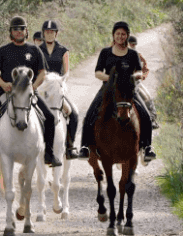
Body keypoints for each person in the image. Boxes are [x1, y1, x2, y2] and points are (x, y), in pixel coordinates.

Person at [0, 16, 62, 169]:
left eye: (21, 28)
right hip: (6, 92)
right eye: (15, 29)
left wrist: (33, 87)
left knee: (49, 117)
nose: (18, 31)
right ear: (11, 32)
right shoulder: (3, 51)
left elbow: (42, 73)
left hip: (29, 93)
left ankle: (49, 154)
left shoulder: (35, 50)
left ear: (26, 31)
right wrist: (3, 84)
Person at [78, 22, 157, 163]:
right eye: (118, 34)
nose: (120, 36)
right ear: (113, 35)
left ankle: (147, 147)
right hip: (108, 88)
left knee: (145, 114)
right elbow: (97, 72)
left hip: (128, 89)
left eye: (123, 34)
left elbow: (139, 70)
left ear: (127, 36)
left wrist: (135, 76)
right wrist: (111, 78)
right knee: (90, 113)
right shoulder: (105, 53)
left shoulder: (132, 54)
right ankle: (85, 146)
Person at [38, 20, 80, 159]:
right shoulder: (37, 50)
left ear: (56, 34)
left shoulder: (63, 51)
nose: (49, 34)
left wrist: (58, 83)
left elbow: (66, 73)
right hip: (42, 88)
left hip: (57, 89)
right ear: (43, 33)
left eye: (52, 32)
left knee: (73, 113)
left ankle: (70, 146)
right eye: (47, 32)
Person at [128, 35, 159, 129]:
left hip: (135, 83)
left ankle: (152, 118)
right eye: (131, 44)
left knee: (147, 97)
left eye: (134, 45)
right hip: (121, 82)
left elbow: (145, 69)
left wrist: (141, 76)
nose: (132, 46)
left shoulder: (138, 56)